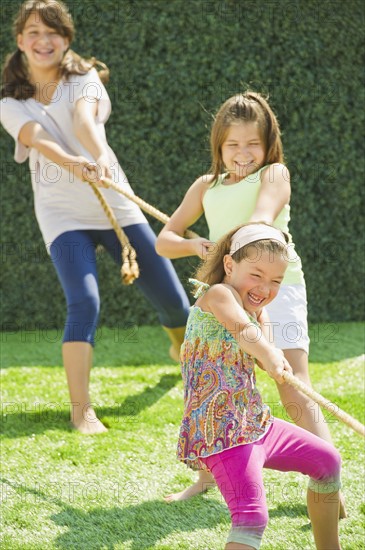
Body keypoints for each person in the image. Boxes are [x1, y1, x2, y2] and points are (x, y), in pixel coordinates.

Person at [0, 0, 189, 434]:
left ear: (66, 39)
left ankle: (179, 349)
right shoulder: (10, 102)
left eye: (53, 32)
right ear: (20, 40)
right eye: (33, 32)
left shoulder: (83, 78)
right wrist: (74, 164)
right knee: (84, 301)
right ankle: (81, 409)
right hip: (63, 215)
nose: (43, 41)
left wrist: (100, 157)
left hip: (116, 205)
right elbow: (39, 140)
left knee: (176, 304)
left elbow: (88, 123)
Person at [156, 91, 346, 516]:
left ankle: (330, 484)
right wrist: (195, 244)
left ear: (268, 145)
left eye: (252, 144)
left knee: (292, 381)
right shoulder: (205, 186)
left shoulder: (274, 175)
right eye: (232, 145)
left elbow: (261, 217)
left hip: (278, 288)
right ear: (218, 147)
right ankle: (208, 475)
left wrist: (230, 243)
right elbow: (163, 241)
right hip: (226, 295)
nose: (242, 154)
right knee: (213, 382)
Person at [176, 222, 341, 550]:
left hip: (254, 424)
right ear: (229, 265)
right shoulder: (217, 295)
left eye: (276, 281)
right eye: (257, 275)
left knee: (328, 462)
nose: (265, 287)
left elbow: (264, 360)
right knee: (251, 518)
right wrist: (269, 350)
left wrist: (269, 348)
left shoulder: (257, 313)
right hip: (221, 434)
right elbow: (242, 333)